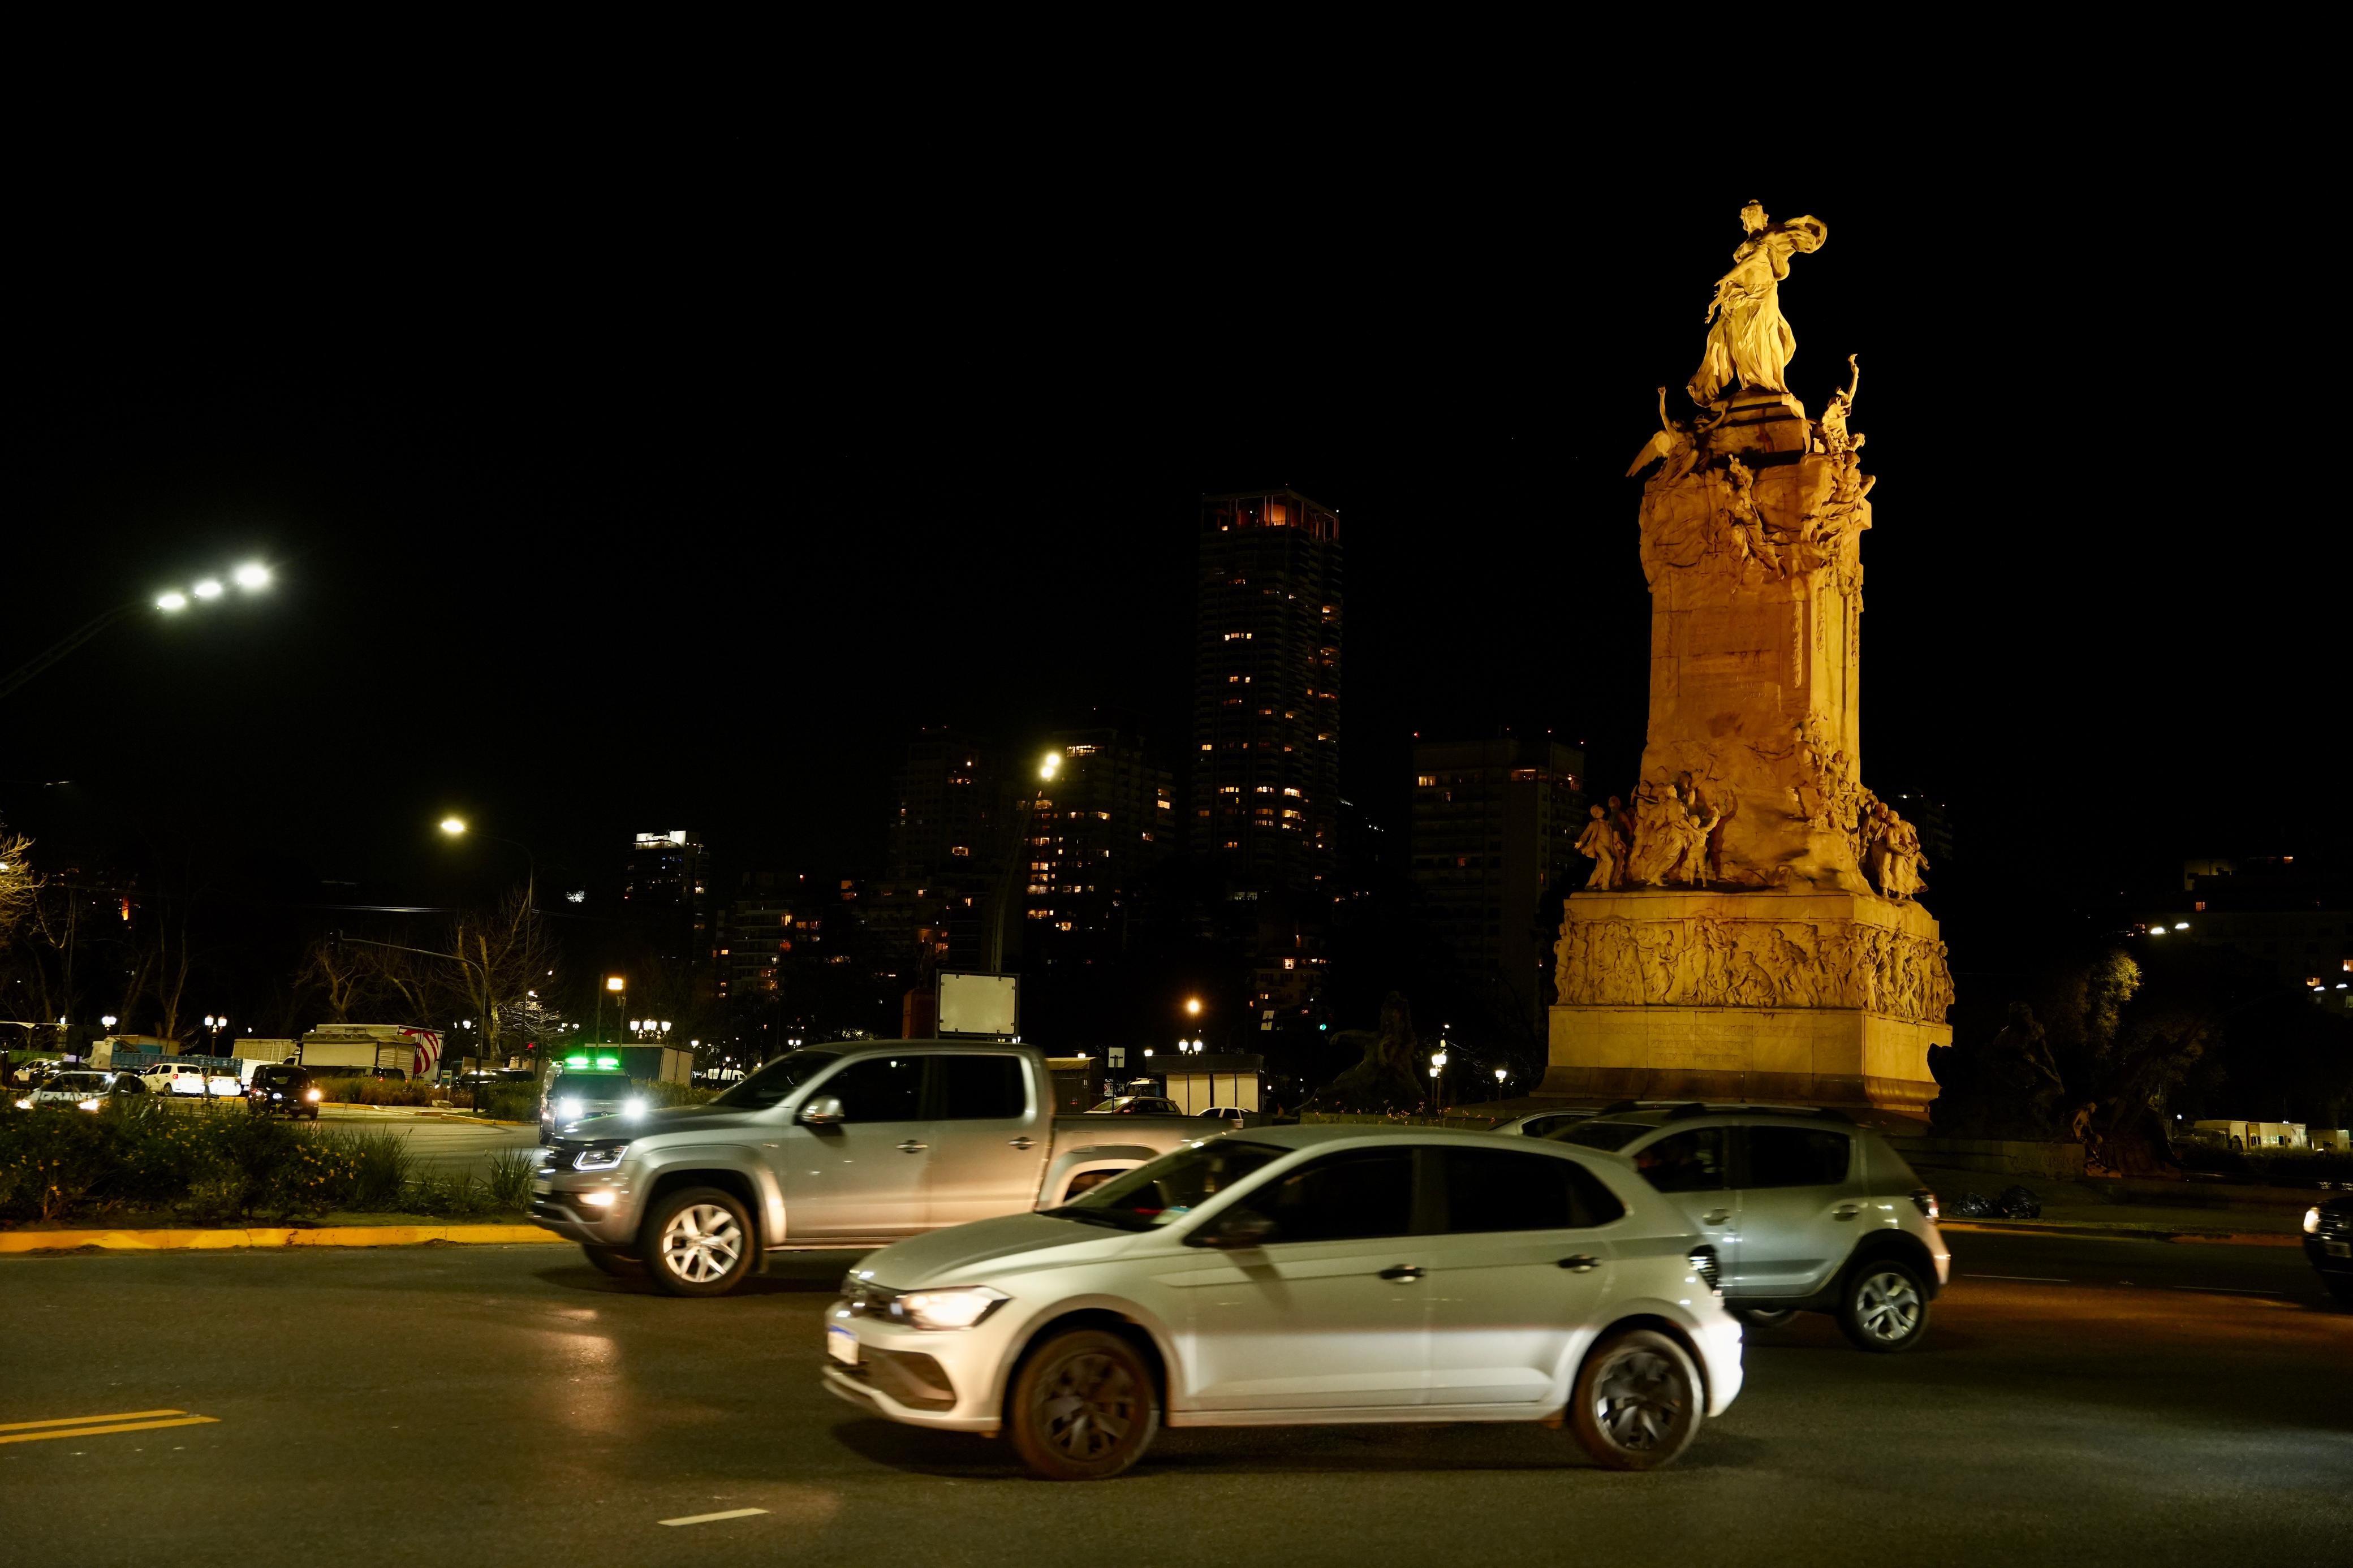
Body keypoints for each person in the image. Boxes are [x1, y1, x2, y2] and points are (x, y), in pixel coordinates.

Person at [1688, 201, 1829, 408]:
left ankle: (1773, 383)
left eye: (1753, 214)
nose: (1749, 218)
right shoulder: (1747, 244)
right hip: (1741, 297)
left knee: (1763, 338)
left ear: (1764, 218)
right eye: (1746, 216)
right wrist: (1717, 302)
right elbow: (1741, 275)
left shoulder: (1768, 238)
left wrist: (1727, 277)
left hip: (1762, 294)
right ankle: (1751, 385)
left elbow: (1754, 259)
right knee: (1742, 343)